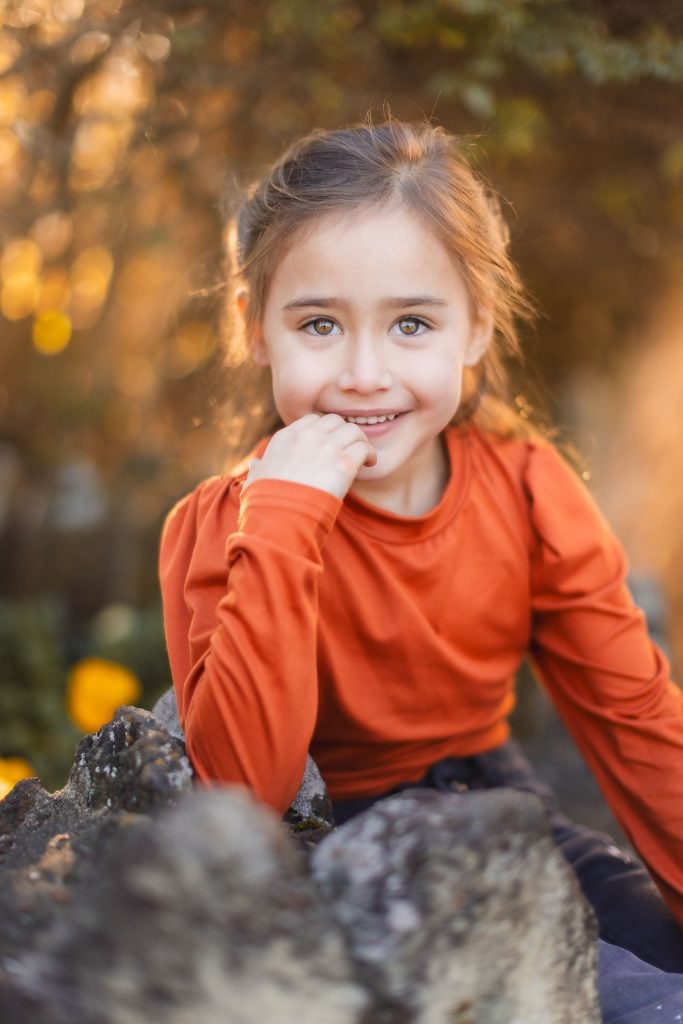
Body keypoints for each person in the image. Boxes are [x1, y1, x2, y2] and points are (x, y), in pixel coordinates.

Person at [159, 119, 683, 1000]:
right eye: (319, 323)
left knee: (658, 953)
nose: (365, 373)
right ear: (254, 330)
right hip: (339, 846)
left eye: (410, 322)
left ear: (475, 328)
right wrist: (285, 517)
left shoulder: (527, 490)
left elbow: (634, 722)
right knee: (628, 1001)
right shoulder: (226, 523)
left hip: (500, 808)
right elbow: (244, 795)